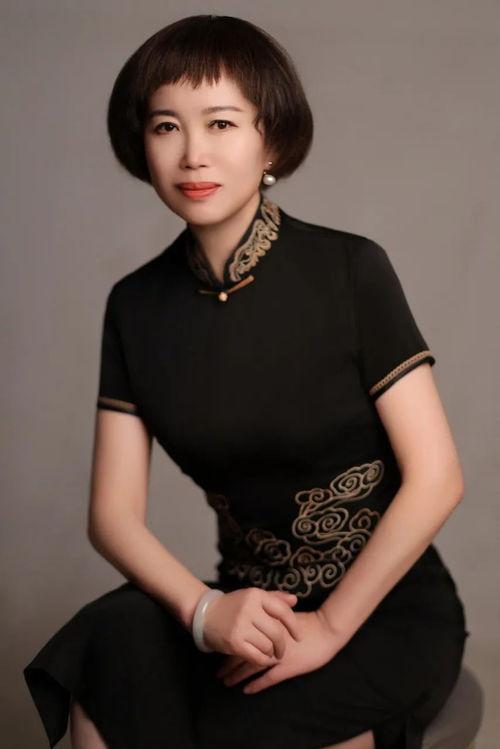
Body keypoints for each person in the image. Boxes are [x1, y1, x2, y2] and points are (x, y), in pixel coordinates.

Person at [23, 13, 469, 749]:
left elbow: (437, 478)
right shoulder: (135, 306)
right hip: (242, 606)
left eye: (221, 123)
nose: (192, 153)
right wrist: (204, 612)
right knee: (107, 643)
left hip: (382, 607)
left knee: (249, 726)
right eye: (167, 126)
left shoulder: (349, 270)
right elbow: (113, 516)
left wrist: (328, 627)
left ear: (273, 141)